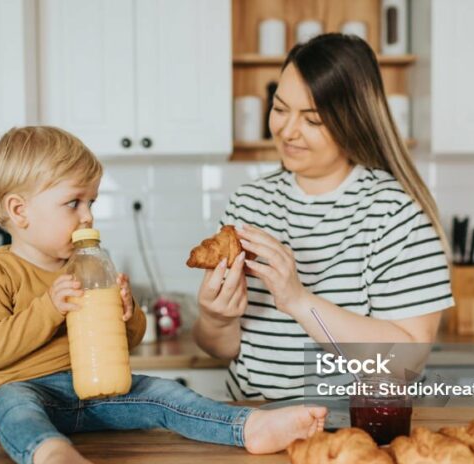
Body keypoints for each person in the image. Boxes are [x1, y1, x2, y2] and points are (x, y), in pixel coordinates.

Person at [0, 126, 327, 464]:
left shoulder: (86, 264)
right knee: (8, 405)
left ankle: (249, 427)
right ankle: (55, 457)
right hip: (30, 391)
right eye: (73, 203)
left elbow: (128, 341)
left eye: (91, 202)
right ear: (20, 211)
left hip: (98, 392)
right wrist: (49, 308)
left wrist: (127, 314)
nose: (88, 216)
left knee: (163, 393)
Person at [193, 34, 455, 400]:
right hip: (252, 425)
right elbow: (224, 348)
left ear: (354, 121)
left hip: (349, 434)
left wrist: (299, 300)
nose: (286, 130)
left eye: (312, 119)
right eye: (280, 108)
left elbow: (405, 364)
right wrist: (215, 318)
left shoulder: (395, 215)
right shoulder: (249, 203)